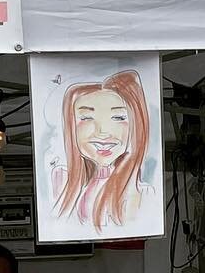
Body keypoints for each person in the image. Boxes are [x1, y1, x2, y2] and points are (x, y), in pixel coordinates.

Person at [51, 70, 154, 231]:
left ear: (137, 124)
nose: (103, 132)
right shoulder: (61, 181)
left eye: (118, 118)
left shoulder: (143, 194)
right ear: (70, 125)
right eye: (86, 118)